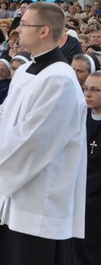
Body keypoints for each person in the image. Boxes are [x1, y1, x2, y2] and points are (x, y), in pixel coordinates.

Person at [0, 2, 87, 265]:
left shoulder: (60, 79)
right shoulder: (27, 70)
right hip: (13, 187)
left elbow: (36, 139)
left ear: (44, 31)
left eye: (24, 24)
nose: (17, 30)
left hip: (39, 198)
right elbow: (3, 118)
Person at [77, 71, 101, 264]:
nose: (88, 94)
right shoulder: (80, 116)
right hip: (77, 190)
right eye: (85, 89)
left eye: (94, 90)